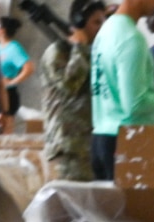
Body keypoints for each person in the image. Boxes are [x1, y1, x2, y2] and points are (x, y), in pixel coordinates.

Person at [94, 0, 154, 175]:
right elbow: (135, 105)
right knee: (133, 203)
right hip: (128, 143)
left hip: (102, 137)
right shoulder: (130, 39)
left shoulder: (106, 31)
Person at [45, 0, 106, 177]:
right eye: (96, 22)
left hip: (91, 144)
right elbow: (70, 85)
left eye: (103, 22)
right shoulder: (58, 51)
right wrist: (79, 47)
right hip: (69, 150)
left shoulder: (93, 51)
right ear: (79, 23)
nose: (102, 27)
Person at [0, 15, 34, 112]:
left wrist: (12, 82)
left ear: (2, 30)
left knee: (7, 126)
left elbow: (29, 68)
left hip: (8, 93)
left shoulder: (14, 48)